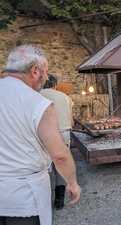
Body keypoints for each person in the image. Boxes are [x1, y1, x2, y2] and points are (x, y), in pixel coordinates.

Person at [0, 45, 80, 225]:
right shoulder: (38, 102)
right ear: (35, 71)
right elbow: (59, 155)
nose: (45, 78)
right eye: (45, 72)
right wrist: (72, 183)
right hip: (23, 199)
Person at [41, 75, 74, 209]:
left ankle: (44, 199)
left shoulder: (36, 95)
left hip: (45, 134)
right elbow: (71, 121)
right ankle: (59, 200)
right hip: (64, 133)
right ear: (55, 85)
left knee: (45, 167)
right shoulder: (65, 97)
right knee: (60, 166)